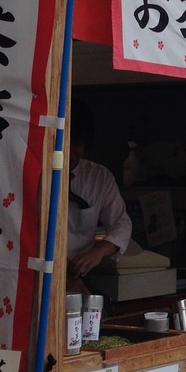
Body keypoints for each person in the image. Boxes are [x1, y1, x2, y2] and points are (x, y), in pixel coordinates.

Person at [66, 101, 132, 279]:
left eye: (75, 144)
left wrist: (99, 251)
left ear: (85, 144)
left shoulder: (99, 177)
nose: (69, 151)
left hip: (77, 273)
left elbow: (122, 224)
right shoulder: (34, 171)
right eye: (63, 141)